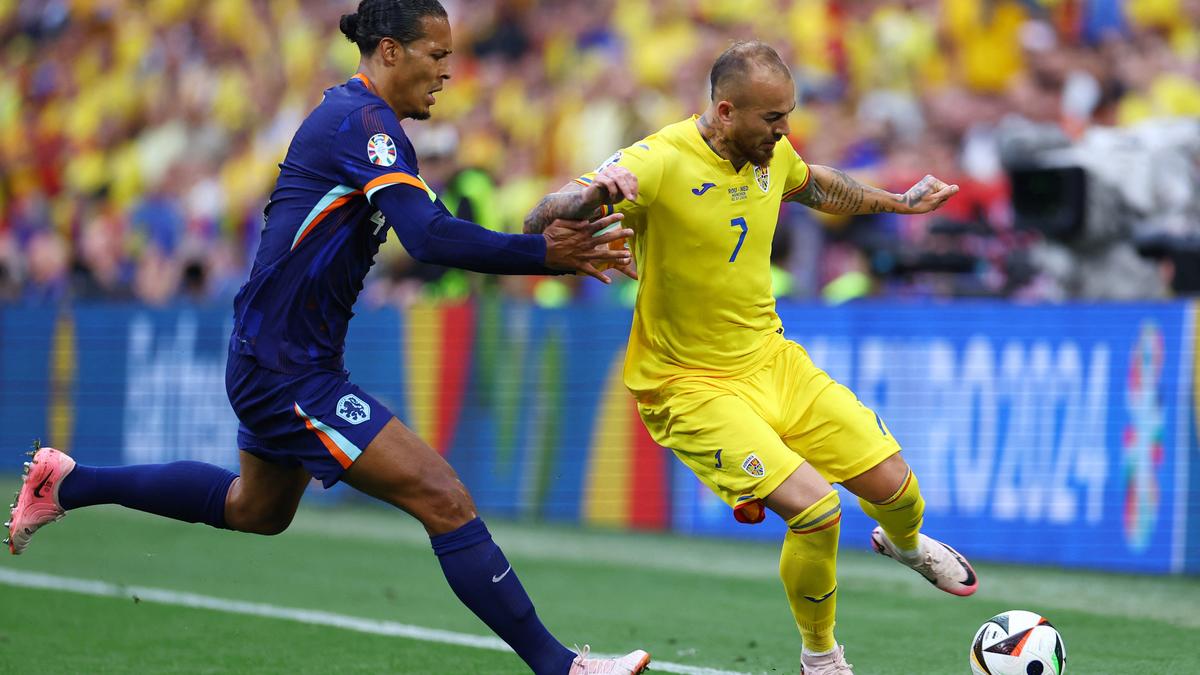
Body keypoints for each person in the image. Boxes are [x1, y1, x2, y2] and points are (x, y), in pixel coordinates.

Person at [5, 2, 649, 674]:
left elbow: (428, 232)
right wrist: (543, 254)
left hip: (275, 356)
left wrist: (535, 247)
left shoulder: (361, 121)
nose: (448, 72)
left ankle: (70, 482)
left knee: (256, 508)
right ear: (392, 52)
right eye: (436, 55)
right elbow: (426, 236)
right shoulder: (361, 123)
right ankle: (561, 667)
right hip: (287, 369)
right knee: (443, 496)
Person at [524, 41, 977, 675]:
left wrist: (900, 202)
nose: (784, 132)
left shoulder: (771, 151)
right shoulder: (656, 161)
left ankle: (903, 545)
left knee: (894, 485)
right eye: (773, 120)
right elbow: (537, 217)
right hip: (687, 384)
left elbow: (815, 183)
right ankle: (821, 659)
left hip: (770, 359)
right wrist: (592, 194)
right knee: (818, 510)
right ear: (726, 110)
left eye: (788, 116)